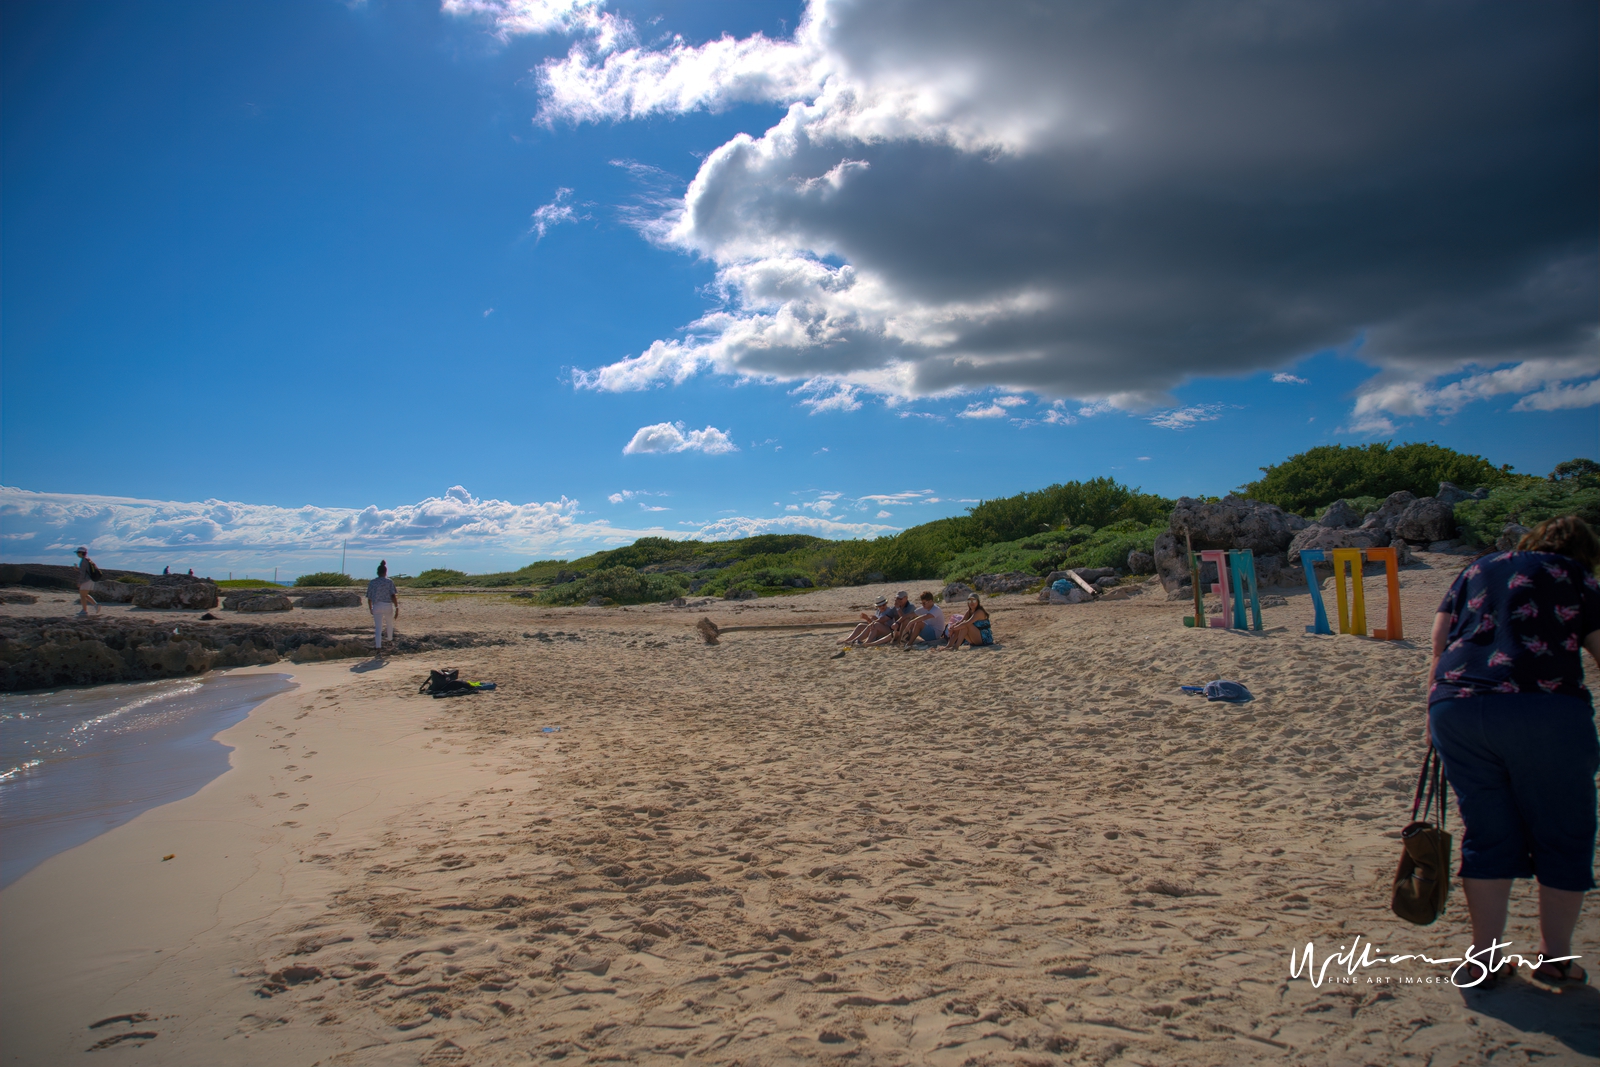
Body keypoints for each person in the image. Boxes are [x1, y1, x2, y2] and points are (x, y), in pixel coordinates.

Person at [1428, 515, 1600, 988]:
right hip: (1543, 708)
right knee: (1564, 831)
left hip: (1458, 707)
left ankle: (1483, 957)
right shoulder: (1577, 576)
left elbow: (1440, 641)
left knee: (1486, 833)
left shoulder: (1478, 568)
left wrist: (1432, 713)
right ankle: (1554, 959)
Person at [367, 560, 400, 652]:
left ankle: (378, 647)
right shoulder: (389, 582)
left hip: (376, 605)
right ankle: (389, 640)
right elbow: (393, 595)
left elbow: (369, 597)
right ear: (386, 572)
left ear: (377, 572)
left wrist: (370, 608)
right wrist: (397, 608)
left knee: (378, 628)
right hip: (387, 605)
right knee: (389, 624)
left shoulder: (372, 582)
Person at [74, 546, 100, 616]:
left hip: (85, 580)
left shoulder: (83, 561)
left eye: (78, 553)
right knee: (85, 595)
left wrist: (79, 582)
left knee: (82, 596)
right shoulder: (88, 560)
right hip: (90, 580)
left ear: (81, 553)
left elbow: (83, 573)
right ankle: (96, 605)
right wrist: (78, 569)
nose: (77, 554)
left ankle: (84, 611)